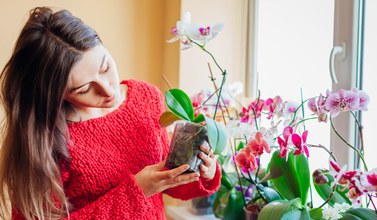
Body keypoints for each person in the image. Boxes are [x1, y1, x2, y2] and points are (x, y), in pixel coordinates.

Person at [0, 6, 221, 220]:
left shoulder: (145, 97)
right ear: (55, 94)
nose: (107, 90)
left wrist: (203, 171)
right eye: (84, 89)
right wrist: (136, 193)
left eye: (105, 67)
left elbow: (167, 180)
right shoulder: (44, 138)